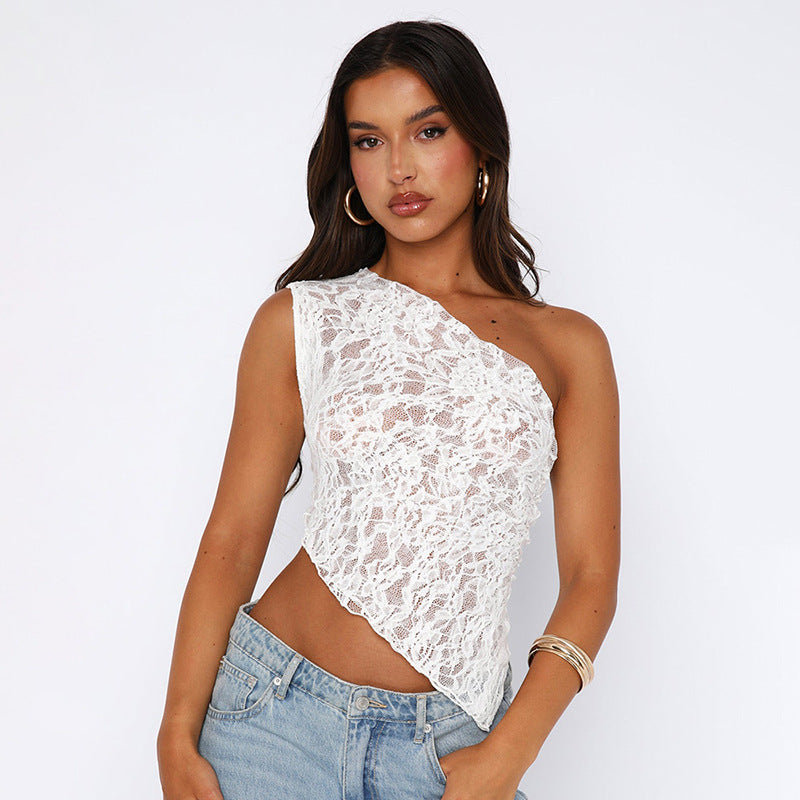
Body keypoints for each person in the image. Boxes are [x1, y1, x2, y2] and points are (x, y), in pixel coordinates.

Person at [157, 19, 620, 800]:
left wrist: (510, 755)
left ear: (480, 145)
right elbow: (231, 542)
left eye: (428, 131)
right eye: (369, 141)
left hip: (453, 743)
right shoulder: (302, 320)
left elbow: (591, 579)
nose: (399, 167)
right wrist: (175, 733)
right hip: (271, 720)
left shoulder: (570, 348)